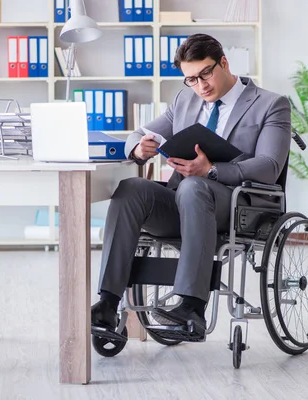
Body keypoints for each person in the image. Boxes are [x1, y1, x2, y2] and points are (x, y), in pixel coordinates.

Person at [91, 33, 292, 340]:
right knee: (130, 188)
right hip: (182, 200)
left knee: (195, 186)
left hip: (236, 205)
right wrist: (137, 148)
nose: (201, 86)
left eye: (206, 74)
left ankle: (192, 308)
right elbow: (138, 133)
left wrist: (211, 170)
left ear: (223, 63)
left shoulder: (270, 104)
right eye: (191, 79)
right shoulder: (184, 99)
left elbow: (269, 165)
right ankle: (107, 303)